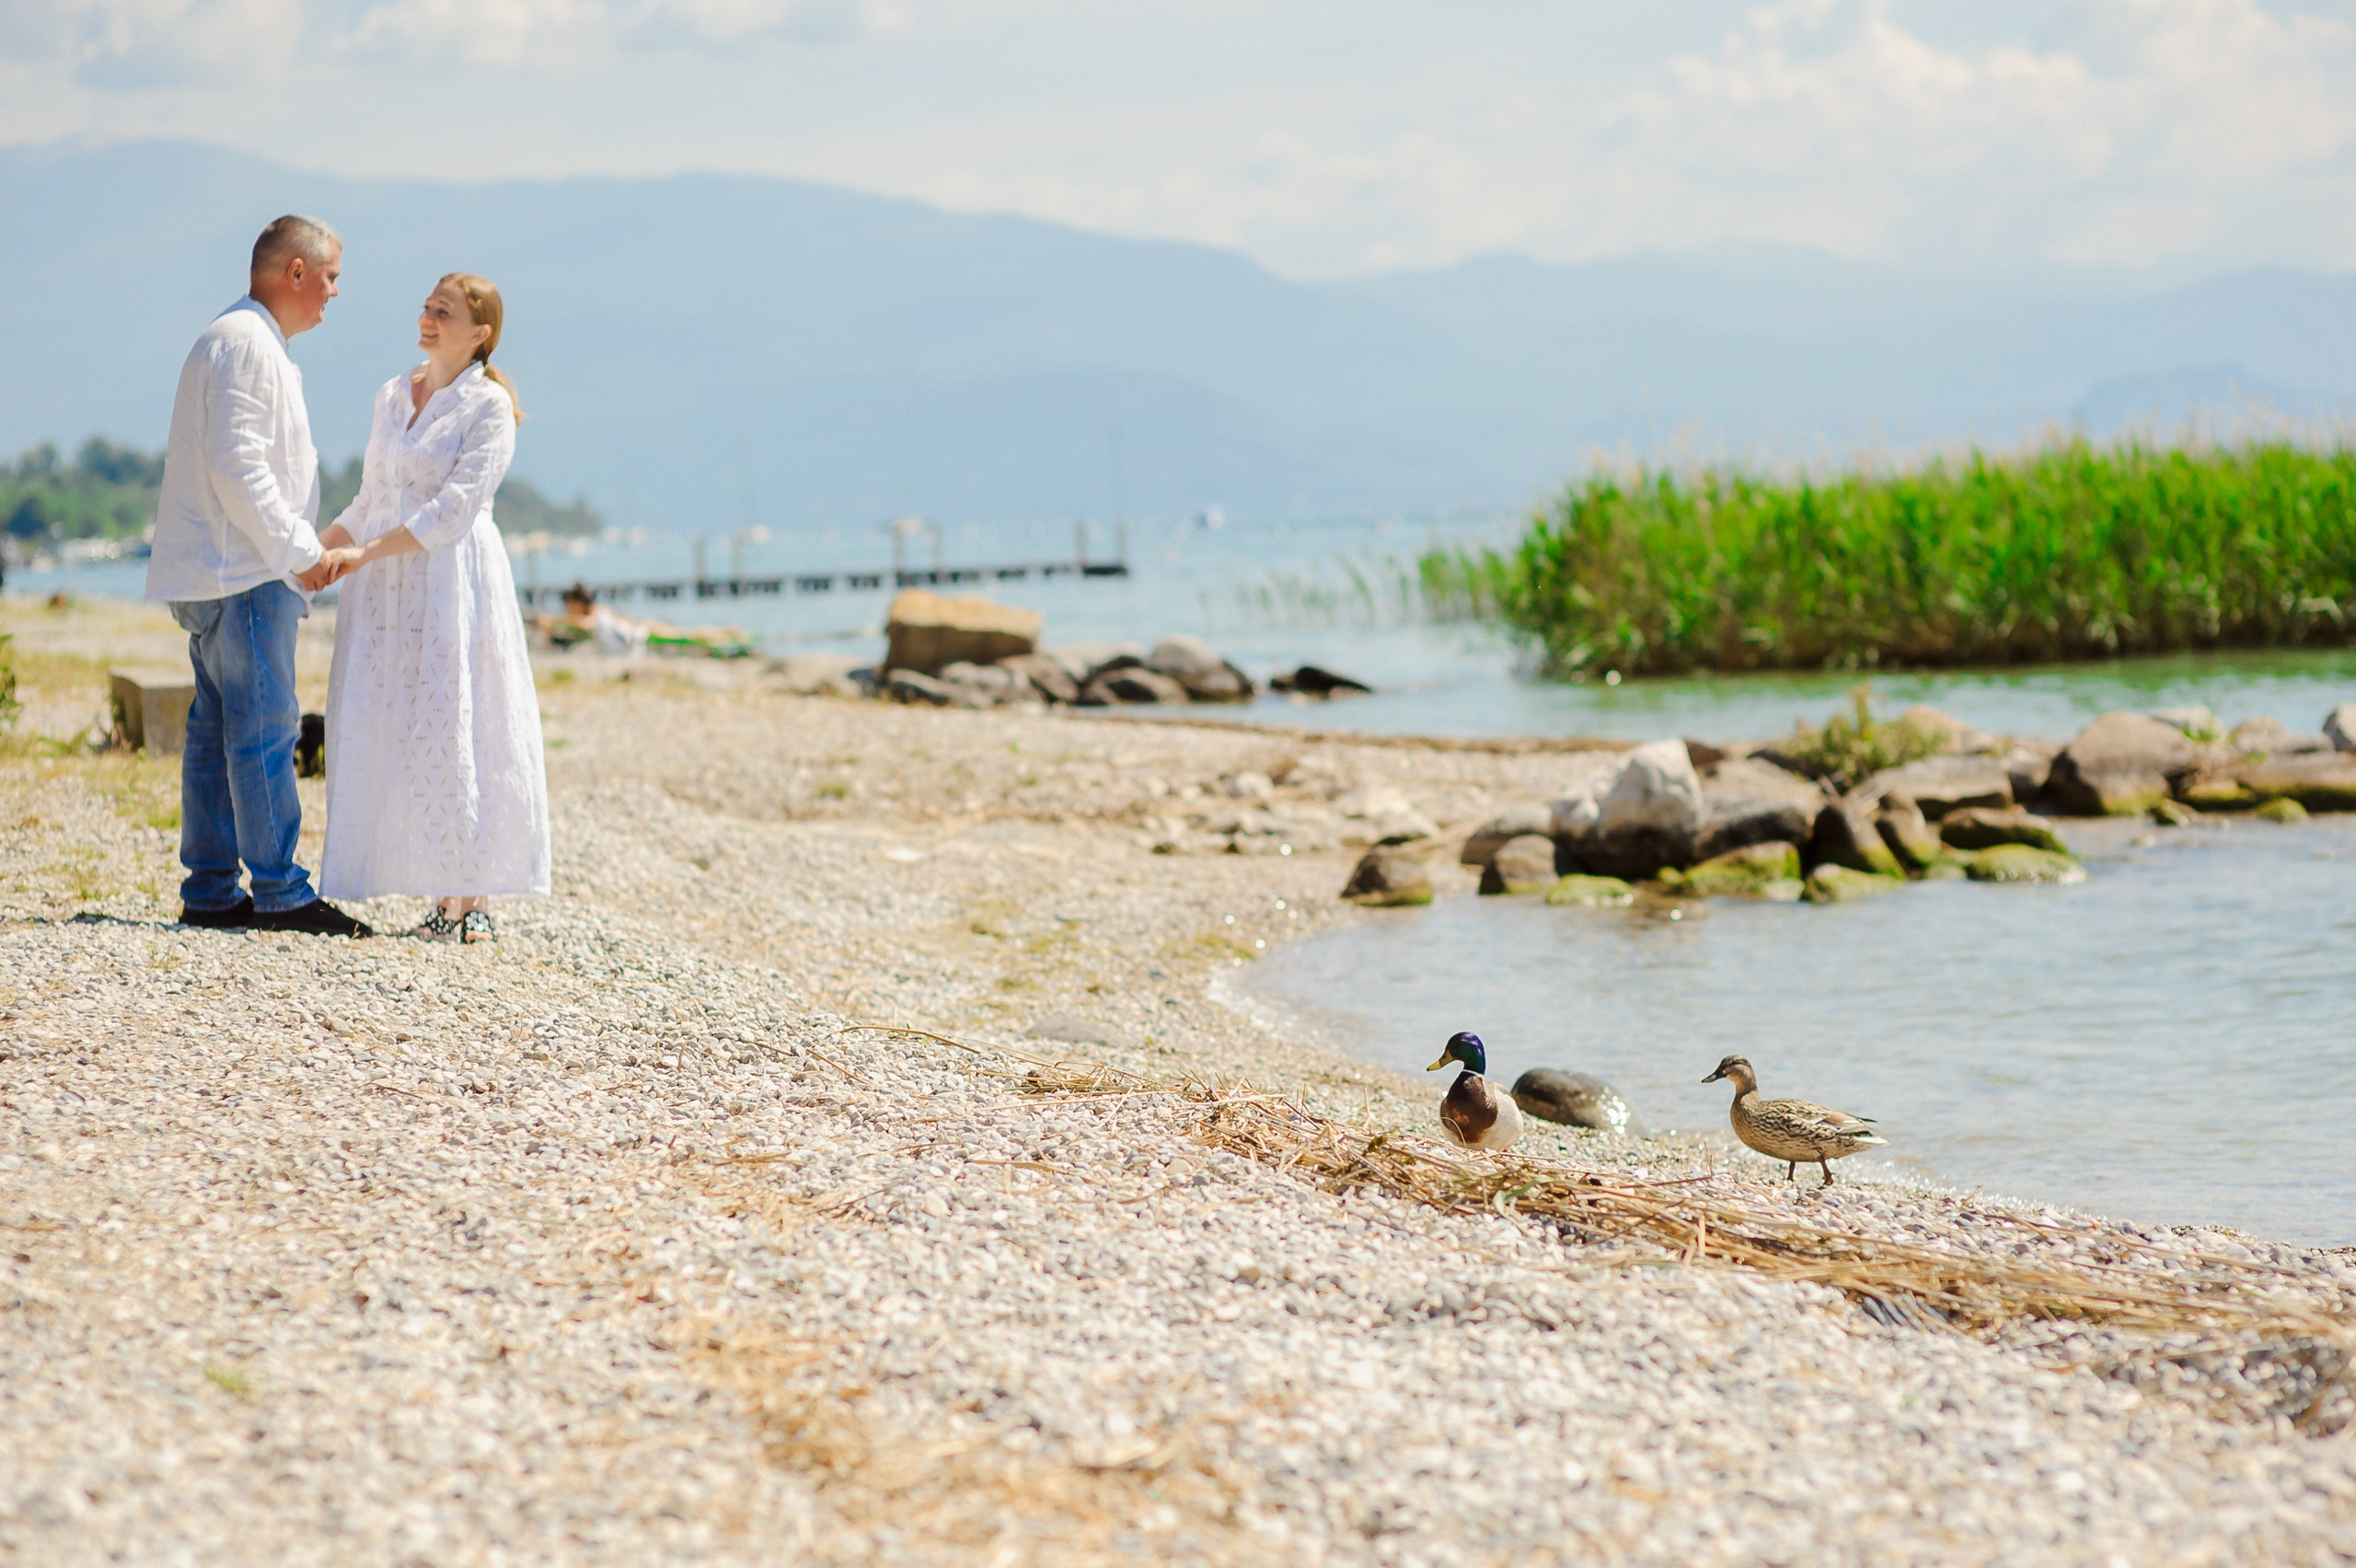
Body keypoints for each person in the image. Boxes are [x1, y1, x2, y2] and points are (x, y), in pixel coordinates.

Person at [144, 214, 373, 937]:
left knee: (216, 731)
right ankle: (279, 891)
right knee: (265, 728)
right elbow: (238, 465)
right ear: (294, 273)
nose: (336, 292)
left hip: (221, 568)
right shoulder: (245, 344)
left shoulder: (236, 337)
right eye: (330, 275)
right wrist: (298, 551)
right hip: (240, 570)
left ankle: (211, 890)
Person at [314, 273, 550, 942]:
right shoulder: (393, 394)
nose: (427, 318)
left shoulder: (489, 408)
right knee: (386, 719)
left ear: (480, 333)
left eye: (442, 312)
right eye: (425, 307)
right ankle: (433, 885)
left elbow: (453, 512)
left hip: (453, 583)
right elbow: (368, 499)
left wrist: (365, 553)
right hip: (383, 587)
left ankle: (468, 896)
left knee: (458, 721)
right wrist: (317, 552)